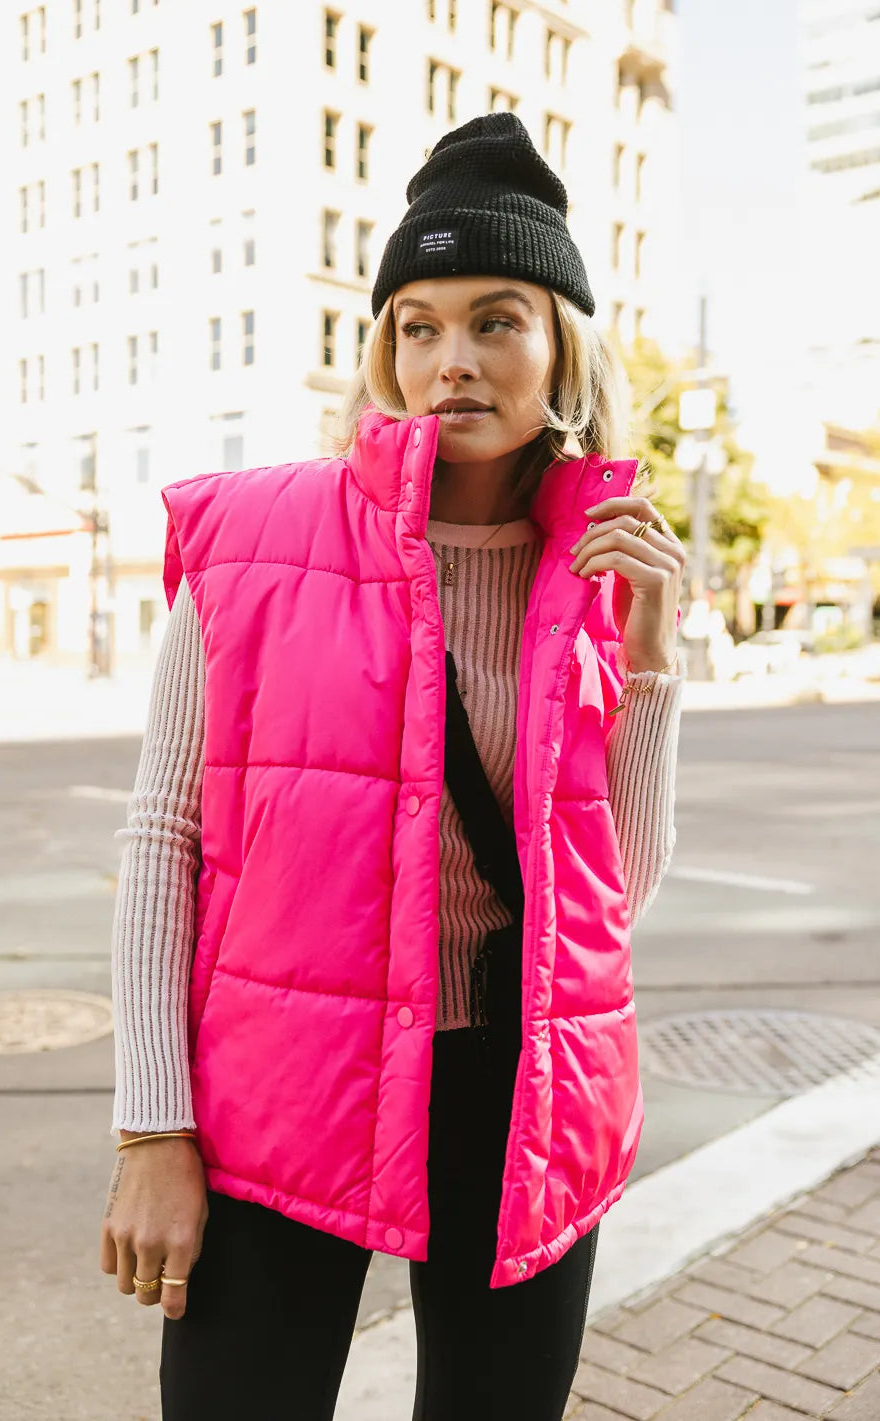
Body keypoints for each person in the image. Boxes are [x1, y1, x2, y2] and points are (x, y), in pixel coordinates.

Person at [101, 112, 687, 1420]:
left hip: (521, 1090)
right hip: (281, 1079)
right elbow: (160, 843)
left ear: (561, 344)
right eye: (416, 325)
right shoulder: (250, 542)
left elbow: (610, 901)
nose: (452, 361)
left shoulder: (592, 573)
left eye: (495, 319)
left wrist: (651, 661)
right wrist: (153, 1129)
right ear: (381, 350)